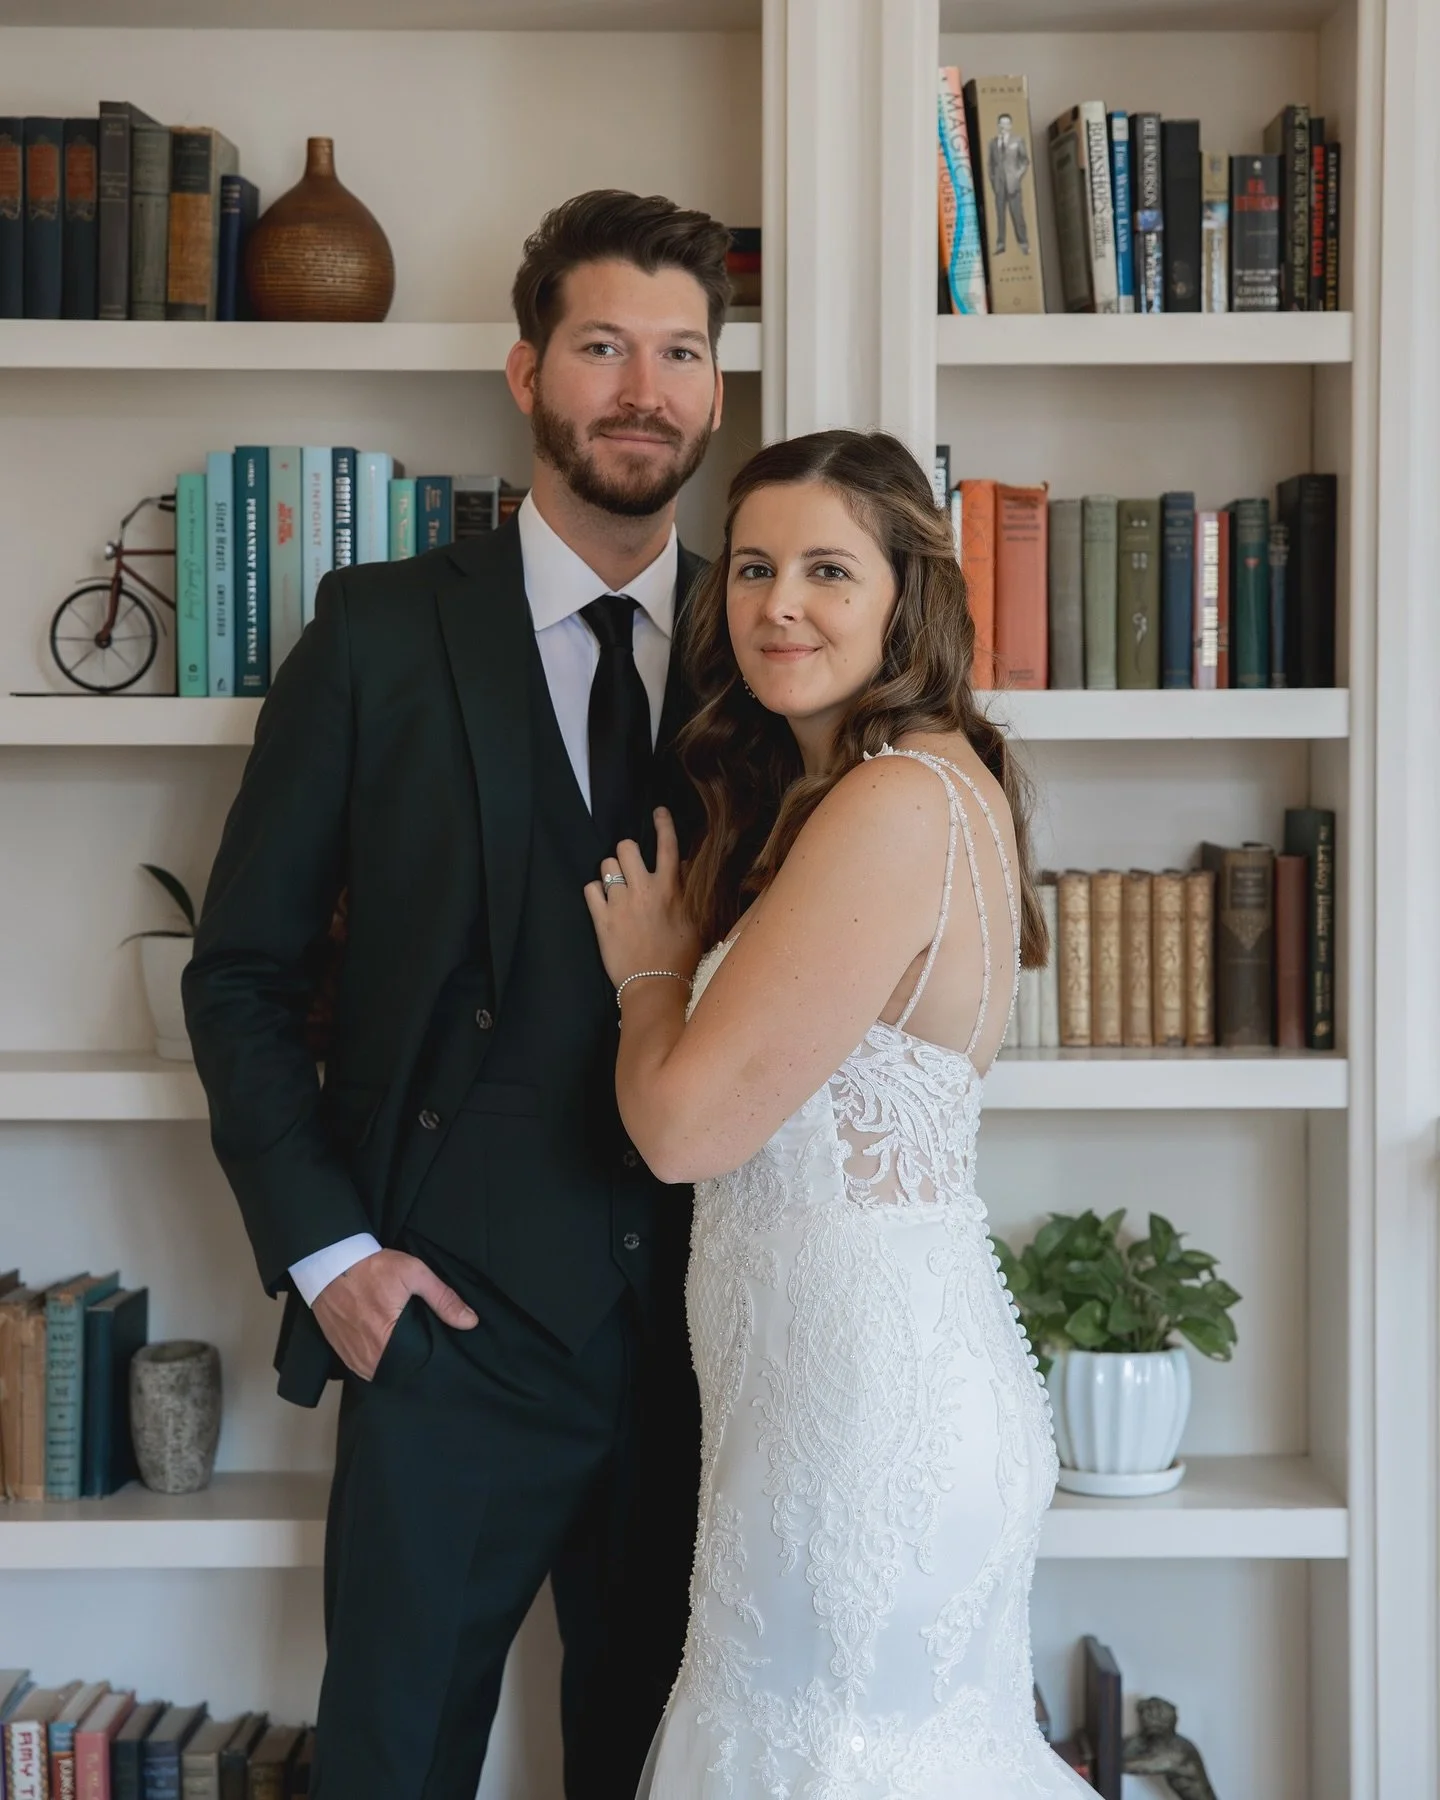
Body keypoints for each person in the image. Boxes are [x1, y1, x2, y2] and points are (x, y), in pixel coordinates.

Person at [182, 188, 730, 1800]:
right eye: (605, 346)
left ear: (716, 390)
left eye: (683, 352)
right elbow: (241, 974)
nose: (645, 389)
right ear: (526, 371)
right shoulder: (377, 636)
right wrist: (331, 1260)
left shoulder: (766, 645)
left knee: (672, 1772)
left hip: (716, 1344)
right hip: (447, 1341)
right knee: (394, 1767)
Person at [585, 429, 1091, 1798]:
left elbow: (683, 1131)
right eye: (752, 569)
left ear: (904, 595)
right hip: (845, 1394)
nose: (779, 606)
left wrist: (650, 975)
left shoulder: (891, 803)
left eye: (827, 570)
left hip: (865, 1427)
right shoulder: (893, 789)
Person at [988, 110, 1032, 255]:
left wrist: (1017, 175)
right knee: (1000, 217)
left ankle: (1023, 243)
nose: (1004, 126)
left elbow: (1025, 161)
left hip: (1013, 185)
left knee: (1017, 215)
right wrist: (993, 181)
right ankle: (1000, 245)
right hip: (999, 186)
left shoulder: (1017, 140)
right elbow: (990, 164)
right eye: (1001, 123)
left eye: (1007, 124)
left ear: (1011, 125)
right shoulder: (992, 143)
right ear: (998, 125)